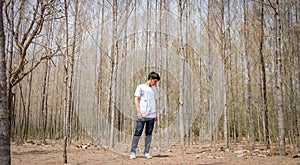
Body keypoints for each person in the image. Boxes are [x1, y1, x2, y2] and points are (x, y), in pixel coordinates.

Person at [129, 71, 160, 159]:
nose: (155, 83)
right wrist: (138, 111)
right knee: (138, 132)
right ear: (150, 79)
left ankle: (146, 152)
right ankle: (132, 152)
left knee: (149, 133)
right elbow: (136, 99)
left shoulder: (154, 89)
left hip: (152, 115)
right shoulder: (141, 87)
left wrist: (156, 114)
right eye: (155, 81)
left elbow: (155, 101)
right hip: (142, 115)